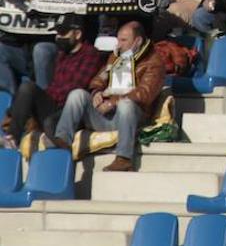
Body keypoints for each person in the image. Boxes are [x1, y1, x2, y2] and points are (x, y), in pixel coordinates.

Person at [52, 21, 164, 172]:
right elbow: (99, 78)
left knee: (126, 104)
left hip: (131, 116)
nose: (119, 44)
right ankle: (62, 142)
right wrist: (96, 92)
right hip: (106, 114)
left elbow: (145, 93)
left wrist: (113, 102)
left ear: (138, 41)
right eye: (118, 40)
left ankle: (124, 158)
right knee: (77, 94)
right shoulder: (115, 56)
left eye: (124, 40)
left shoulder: (154, 62)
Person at [5, 15, 104, 158]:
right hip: (54, 105)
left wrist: (49, 94)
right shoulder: (62, 54)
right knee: (28, 87)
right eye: (57, 33)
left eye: (63, 33)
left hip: (71, 110)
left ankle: (59, 154)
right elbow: (54, 86)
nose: (58, 37)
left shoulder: (90, 54)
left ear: (78, 34)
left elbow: (76, 86)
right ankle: (12, 138)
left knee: (49, 121)